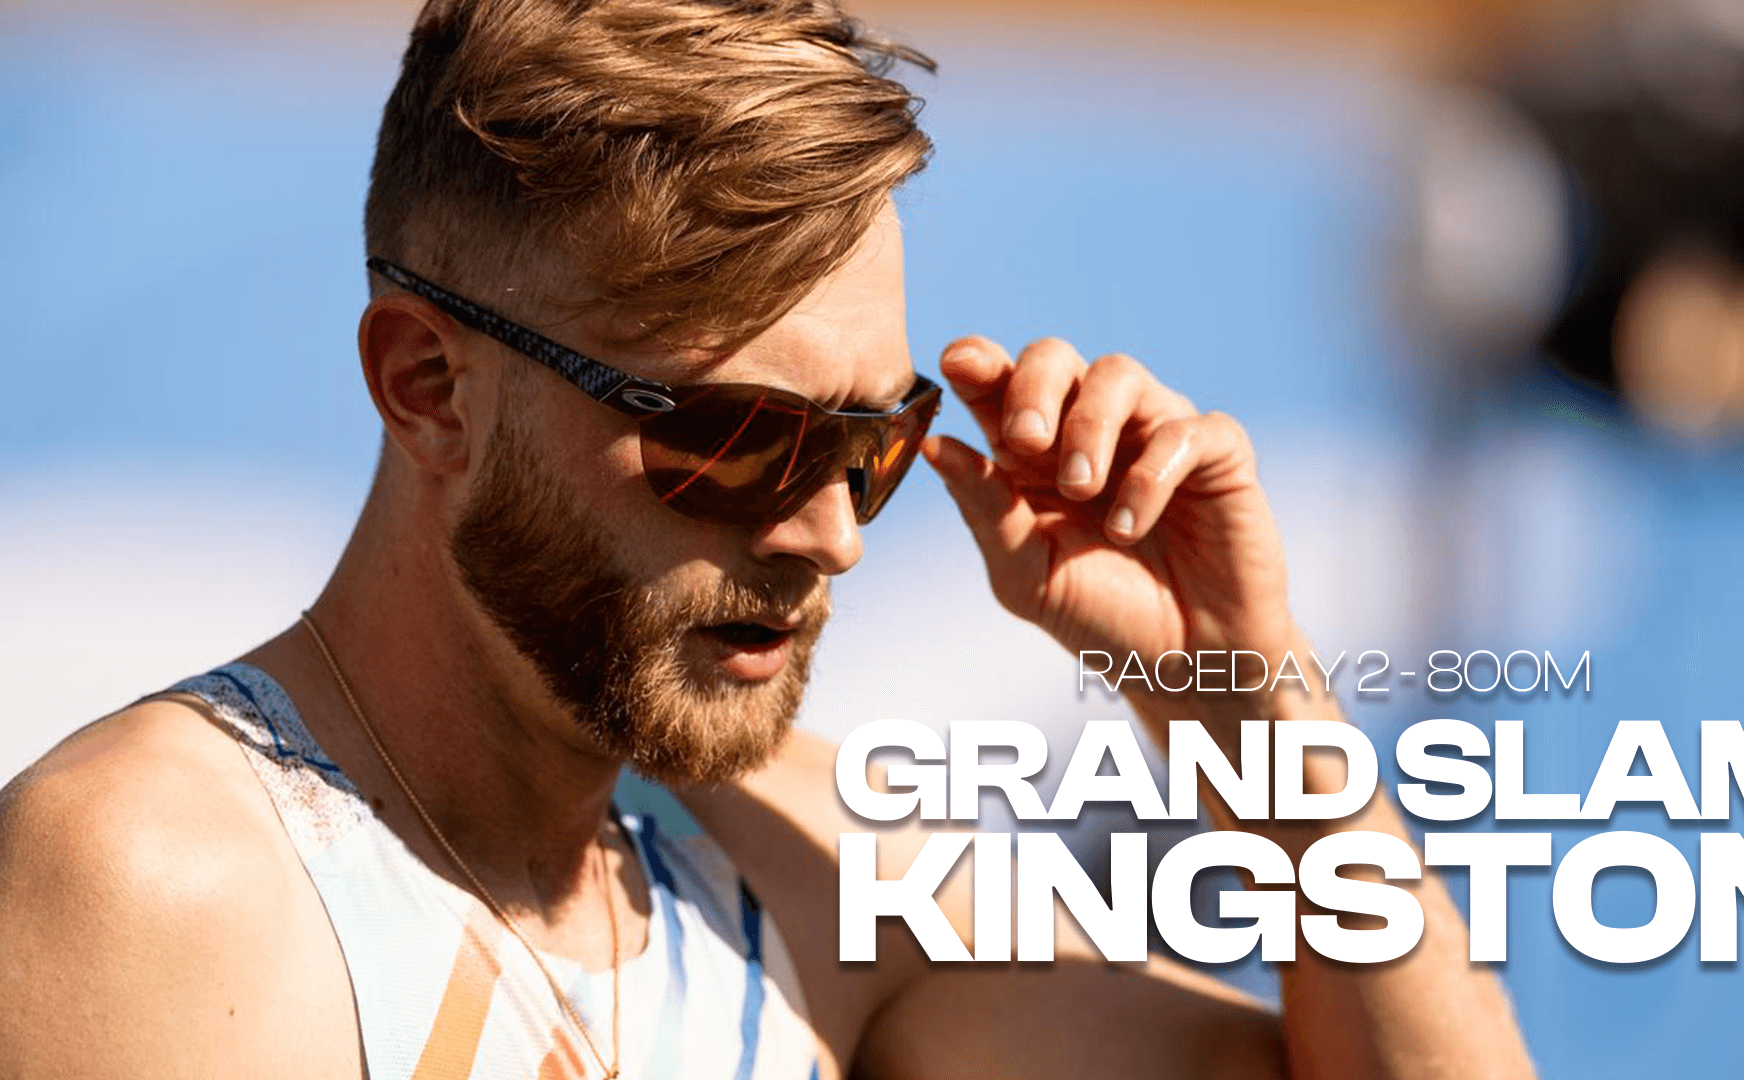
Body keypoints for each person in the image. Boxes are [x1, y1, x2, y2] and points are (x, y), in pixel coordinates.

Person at [0, 1, 1535, 1077]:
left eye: (870, 443)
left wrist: (1238, 691)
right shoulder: (160, 882)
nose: (829, 535)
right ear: (426, 387)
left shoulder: (815, 873)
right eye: (727, 437)